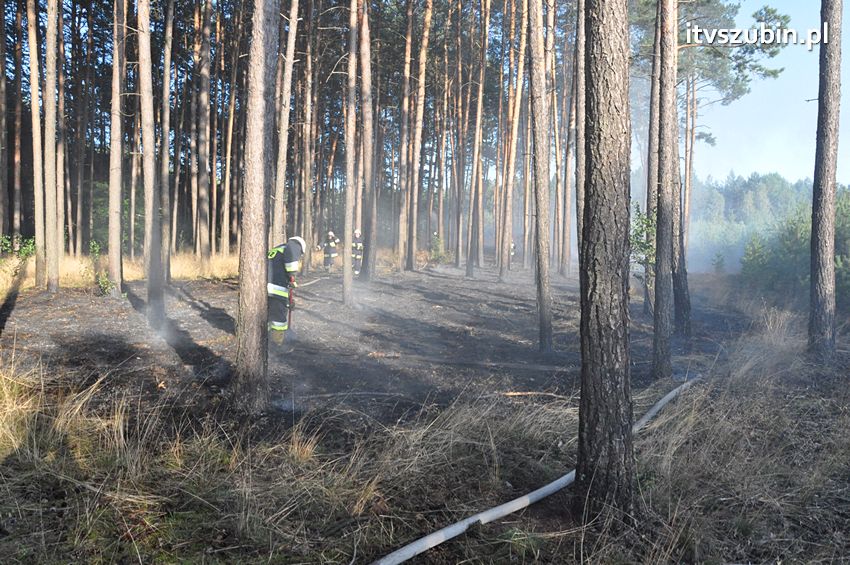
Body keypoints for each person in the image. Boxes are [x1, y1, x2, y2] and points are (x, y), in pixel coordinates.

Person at [267, 235, 306, 344]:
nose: (299, 257)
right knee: (279, 318)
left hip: (264, 288)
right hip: (276, 289)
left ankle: (265, 341)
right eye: (300, 254)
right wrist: (292, 277)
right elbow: (291, 267)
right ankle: (277, 344)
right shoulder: (294, 245)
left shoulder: (277, 249)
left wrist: (289, 301)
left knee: (268, 316)